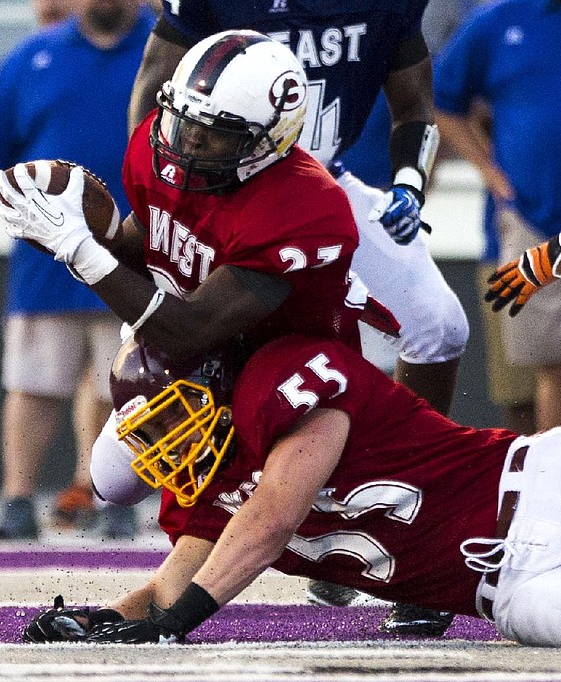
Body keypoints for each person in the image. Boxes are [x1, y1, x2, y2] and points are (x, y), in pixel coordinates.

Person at [123, 0, 470, 632]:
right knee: (120, 460)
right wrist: (168, 203)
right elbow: (155, 81)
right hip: (220, 194)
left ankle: (415, 519)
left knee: (441, 324)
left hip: (320, 189)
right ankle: (225, 521)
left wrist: (410, 182)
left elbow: (416, 104)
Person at [21, 332, 561, 649]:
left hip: (545, 482)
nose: (171, 440)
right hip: (511, 593)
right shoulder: (204, 489)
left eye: (174, 417)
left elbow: (271, 518)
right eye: (153, 432)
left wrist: (173, 626)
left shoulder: (286, 374)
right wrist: (97, 621)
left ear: (213, 383)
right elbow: (169, 592)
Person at [0, 0, 155, 540]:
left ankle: (116, 498)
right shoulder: (29, 58)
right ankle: (17, 501)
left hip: (136, 251)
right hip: (44, 258)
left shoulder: (169, 48)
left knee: (128, 382)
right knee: (33, 384)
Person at [433, 0, 561, 432]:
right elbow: (441, 98)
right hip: (533, 224)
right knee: (549, 372)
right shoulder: (495, 21)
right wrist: (487, 169)